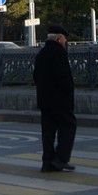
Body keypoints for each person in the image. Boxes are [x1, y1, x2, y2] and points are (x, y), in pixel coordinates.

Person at [32, 24, 77, 172]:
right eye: (64, 39)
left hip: (45, 100)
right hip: (60, 100)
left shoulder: (42, 53)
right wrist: (69, 90)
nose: (65, 42)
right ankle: (61, 158)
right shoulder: (59, 53)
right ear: (59, 39)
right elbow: (63, 76)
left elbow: (35, 76)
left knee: (48, 132)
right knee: (68, 125)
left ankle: (48, 162)